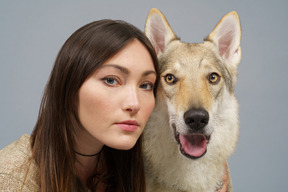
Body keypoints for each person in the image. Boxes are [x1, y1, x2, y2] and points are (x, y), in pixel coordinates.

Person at [0, 19, 159, 192]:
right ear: (69, 86)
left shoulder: (147, 168)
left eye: (145, 85)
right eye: (111, 80)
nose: (134, 104)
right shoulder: (11, 179)